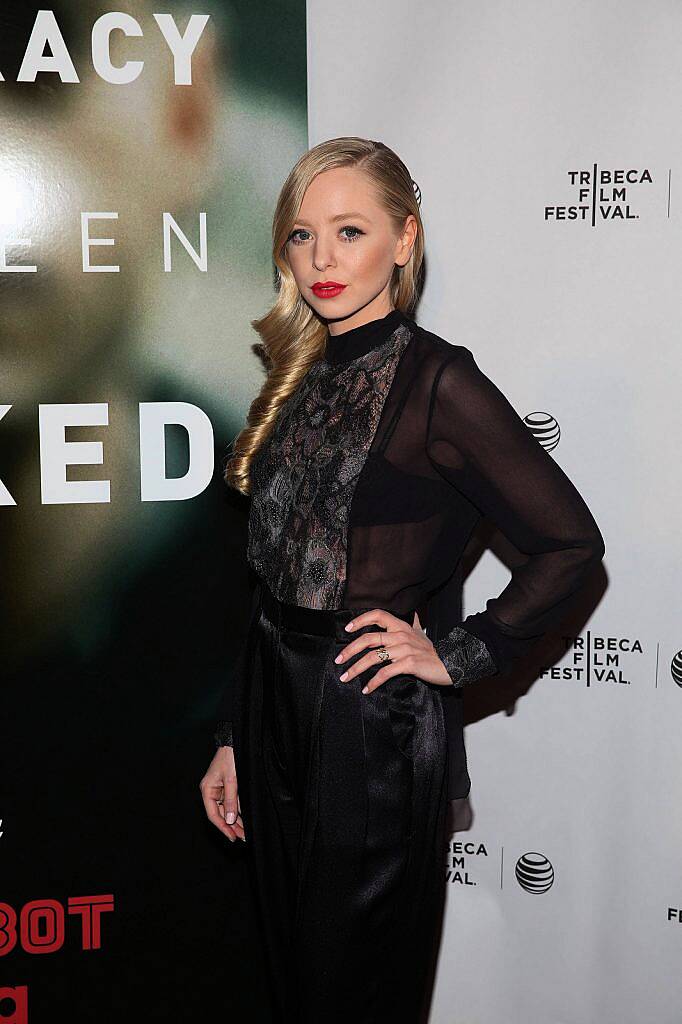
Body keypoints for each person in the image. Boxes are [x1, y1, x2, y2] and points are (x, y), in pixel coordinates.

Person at [199, 136, 605, 1023]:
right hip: (273, 699)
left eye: (350, 231)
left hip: (366, 717)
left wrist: (461, 652)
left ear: (405, 240)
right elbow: (271, 580)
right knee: (290, 980)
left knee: (350, 993)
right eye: (303, 237)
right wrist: (235, 729)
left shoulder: (439, 383)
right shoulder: (296, 374)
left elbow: (570, 545)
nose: (323, 260)